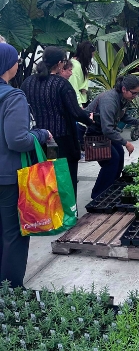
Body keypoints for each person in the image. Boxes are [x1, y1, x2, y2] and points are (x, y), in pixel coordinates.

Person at [0, 43, 53, 288]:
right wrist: (41, 134)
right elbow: (17, 140)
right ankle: (11, 290)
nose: (18, 63)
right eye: (15, 59)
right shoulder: (13, 96)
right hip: (9, 177)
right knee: (14, 235)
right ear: (6, 64)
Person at [21, 47, 94, 193]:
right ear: (60, 63)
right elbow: (76, 112)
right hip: (61, 141)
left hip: (38, 140)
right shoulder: (61, 84)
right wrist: (89, 119)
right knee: (64, 180)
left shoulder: (28, 83)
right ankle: (67, 213)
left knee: (45, 179)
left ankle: (47, 213)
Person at [86, 75, 139, 199]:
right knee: (111, 159)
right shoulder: (109, 100)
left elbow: (122, 116)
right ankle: (98, 194)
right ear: (124, 89)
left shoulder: (122, 98)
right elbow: (107, 129)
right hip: (92, 133)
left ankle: (111, 187)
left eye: (137, 94)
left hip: (102, 131)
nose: (135, 96)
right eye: (134, 93)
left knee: (119, 154)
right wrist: (126, 143)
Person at [69, 41, 94, 108]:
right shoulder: (75, 66)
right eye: (90, 57)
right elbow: (74, 88)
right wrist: (80, 106)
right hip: (79, 103)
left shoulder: (79, 65)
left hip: (83, 100)